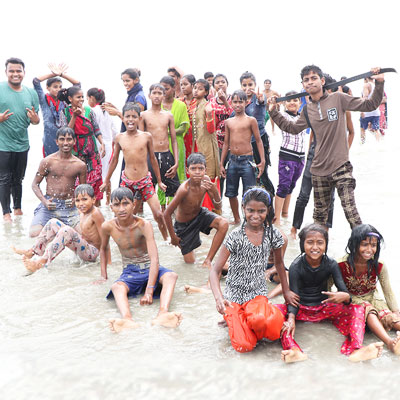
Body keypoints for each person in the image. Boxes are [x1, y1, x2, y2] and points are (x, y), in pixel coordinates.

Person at [267, 66, 385, 229]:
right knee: (319, 219)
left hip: (341, 166)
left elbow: (370, 104)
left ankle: (363, 252)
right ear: (303, 85)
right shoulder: (307, 109)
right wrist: (273, 112)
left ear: (322, 81)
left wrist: (379, 82)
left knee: (352, 215)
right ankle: (319, 253)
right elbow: (292, 128)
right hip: (318, 170)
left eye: (313, 78)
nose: (310, 82)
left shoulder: (338, 98)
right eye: (306, 80)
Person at [276, 224, 383, 363]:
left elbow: (344, 293)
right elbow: (293, 298)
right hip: (300, 308)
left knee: (358, 309)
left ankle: (356, 349)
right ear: (302, 245)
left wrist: (345, 297)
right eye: (310, 242)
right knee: (279, 316)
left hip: (323, 307)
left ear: (326, 245)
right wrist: (291, 318)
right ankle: (293, 350)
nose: (315, 247)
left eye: (320, 243)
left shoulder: (331, 264)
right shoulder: (296, 266)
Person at [209, 187, 297, 354]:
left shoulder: (273, 235)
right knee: (244, 346)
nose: (255, 216)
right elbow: (215, 271)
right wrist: (219, 299)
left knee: (269, 328)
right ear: (243, 208)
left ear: (268, 210)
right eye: (250, 210)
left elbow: (279, 264)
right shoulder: (235, 236)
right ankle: (234, 318)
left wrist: (286, 292)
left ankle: (251, 318)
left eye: (261, 211)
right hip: (233, 296)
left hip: (257, 293)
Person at [100, 187, 182, 332]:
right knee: (117, 287)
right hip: (130, 270)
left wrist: (149, 291)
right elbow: (103, 248)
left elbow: (154, 258)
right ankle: (127, 319)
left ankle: (163, 313)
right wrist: (103, 275)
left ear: (134, 204)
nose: (121, 209)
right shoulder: (108, 226)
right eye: (117, 205)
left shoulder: (144, 225)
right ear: (111, 207)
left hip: (150, 266)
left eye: (125, 204)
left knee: (171, 276)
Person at [289, 73, 355, 239]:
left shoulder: (340, 105)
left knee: (330, 200)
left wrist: (343, 152)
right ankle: (294, 229)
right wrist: (311, 150)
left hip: (335, 158)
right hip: (315, 155)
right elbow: (313, 134)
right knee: (304, 194)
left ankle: (325, 232)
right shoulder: (312, 108)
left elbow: (351, 132)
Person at [100, 103, 169, 240]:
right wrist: (106, 181)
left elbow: (153, 159)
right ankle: (123, 241)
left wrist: (159, 181)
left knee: (158, 215)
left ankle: (167, 239)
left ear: (139, 119)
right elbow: (114, 160)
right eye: (127, 117)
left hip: (145, 181)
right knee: (121, 216)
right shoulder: (119, 137)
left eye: (134, 117)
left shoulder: (146, 136)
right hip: (127, 182)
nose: (130, 120)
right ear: (123, 118)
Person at [14, 184, 106, 276]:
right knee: (53, 222)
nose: (81, 203)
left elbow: (105, 237)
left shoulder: (96, 213)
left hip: (92, 253)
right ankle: (33, 251)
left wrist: (106, 263)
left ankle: (41, 262)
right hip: (83, 247)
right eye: (78, 200)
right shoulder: (81, 211)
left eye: (84, 199)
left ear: (94, 199)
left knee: (66, 230)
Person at [337, 224, 400, 355]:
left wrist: (395, 312)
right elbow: (328, 288)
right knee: (369, 311)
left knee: (390, 318)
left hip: (373, 297)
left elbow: (388, 291)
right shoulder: (340, 264)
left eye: (373, 245)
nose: (369, 249)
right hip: (352, 301)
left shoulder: (379, 265)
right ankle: (389, 343)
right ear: (354, 244)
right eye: (364, 244)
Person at [164, 153, 228, 269]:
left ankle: (208, 260)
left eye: (201, 169)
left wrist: (214, 191)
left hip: (200, 214)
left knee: (223, 224)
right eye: (193, 169)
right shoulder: (184, 189)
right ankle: (183, 247)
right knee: (190, 264)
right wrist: (173, 237)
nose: (197, 172)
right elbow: (167, 213)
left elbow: (218, 207)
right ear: (188, 170)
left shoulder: (206, 181)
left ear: (205, 170)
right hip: (184, 226)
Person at [0, 57, 40, 222]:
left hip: (22, 143)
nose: (15, 74)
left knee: (18, 179)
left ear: (24, 73)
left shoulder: (31, 93)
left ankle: (18, 209)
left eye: (18, 71)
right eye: (12, 71)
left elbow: (36, 121)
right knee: (4, 178)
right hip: (3, 143)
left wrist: (34, 118)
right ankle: (6, 213)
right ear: (6, 72)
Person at [29, 127, 86, 237]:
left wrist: (75, 200)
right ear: (56, 141)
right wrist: (45, 201)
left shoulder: (80, 165)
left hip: (70, 206)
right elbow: (35, 184)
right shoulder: (47, 161)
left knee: (83, 235)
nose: (65, 143)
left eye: (69, 139)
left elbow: (83, 190)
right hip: (50, 204)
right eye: (62, 139)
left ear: (74, 141)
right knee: (34, 234)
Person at [220, 90, 265, 224]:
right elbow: (226, 143)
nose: (238, 105)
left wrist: (262, 161)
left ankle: (248, 220)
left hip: (247, 161)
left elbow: (258, 141)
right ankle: (237, 219)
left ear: (246, 103)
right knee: (231, 193)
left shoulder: (251, 120)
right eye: (235, 102)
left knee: (249, 194)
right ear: (231, 103)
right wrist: (221, 163)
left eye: (241, 102)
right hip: (232, 161)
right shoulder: (229, 122)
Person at [59, 86, 105, 205]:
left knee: (95, 185)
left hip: (92, 152)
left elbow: (96, 129)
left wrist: (102, 143)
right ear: (70, 98)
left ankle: (97, 213)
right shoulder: (64, 113)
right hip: (75, 154)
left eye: (82, 97)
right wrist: (74, 116)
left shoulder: (89, 111)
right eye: (78, 97)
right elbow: (65, 133)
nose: (81, 100)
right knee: (77, 187)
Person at [139, 83, 180, 210]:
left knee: (175, 190)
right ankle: (140, 219)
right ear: (149, 95)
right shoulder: (143, 115)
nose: (157, 96)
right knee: (143, 192)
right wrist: (142, 162)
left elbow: (174, 140)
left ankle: (171, 218)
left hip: (167, 156)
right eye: (154, 93)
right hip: (151, 156)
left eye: (159, 93)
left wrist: (177, 162)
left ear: (164, 95)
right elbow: (140, 140)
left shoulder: (168, 115)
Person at [274, 91, 307, 226]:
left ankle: (285, 214)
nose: (292, 103)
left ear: (300, 103)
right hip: (287, 155)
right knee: (283, 186)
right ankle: (276, 219)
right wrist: (273, 102)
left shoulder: (303, 117)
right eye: (289, 101)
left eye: (295, 100)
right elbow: (272, 110)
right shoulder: (283, 116)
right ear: (284, 104)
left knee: (291, 186)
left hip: (300, 157)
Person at [33, 62, 80, 157]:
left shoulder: (65, 99)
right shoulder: (44, 99)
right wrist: (53, 74)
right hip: (50, 138)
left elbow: (77, 84)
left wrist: (62, 75)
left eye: (60, 87)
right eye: (55, 87)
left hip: (65, 138)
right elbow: (36, 81)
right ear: (47, 88)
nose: (58, 89)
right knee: (50, 166)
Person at [239, 71, 275, 196]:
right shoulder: (240, 100)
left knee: (262, 173)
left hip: (259, 141)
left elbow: (262, 100)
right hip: (245, 143)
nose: (247, 88)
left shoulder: (259, 98)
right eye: (244, 85)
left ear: (255, 84)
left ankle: (269, 200)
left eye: (250, 84)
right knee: (249, 175)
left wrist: (260, 98)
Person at [191, 79, 220, 211]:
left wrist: (209, 114)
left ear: (206, 92)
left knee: (208, 177)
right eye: (195, 87)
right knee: (199, 177)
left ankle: (212, 208)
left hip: (207, 146)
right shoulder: (196, 105)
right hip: (198, 146)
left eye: (200, 89)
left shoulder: (208, 106)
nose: (196, 90)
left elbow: (211, 129)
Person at [87, 87, 118, 205]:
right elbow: (115, 131)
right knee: (107, 174)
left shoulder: (93, 111)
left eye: (87, 98)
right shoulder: (108, 111)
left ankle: (98, 202)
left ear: (92, 98)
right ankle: (108, 202)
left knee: (98, 174)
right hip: (109, 146)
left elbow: (93, 130)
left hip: (98, 145)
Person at [160, 75, 189, 184]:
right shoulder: (157, 105)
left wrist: (168, 132)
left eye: (166, 89)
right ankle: (161, 201)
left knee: (178, 173)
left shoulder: (181, 105)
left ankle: (178, 200)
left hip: (177, 143)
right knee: (162, 174)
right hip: (161, 145)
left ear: (173, 88)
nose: (164, 92)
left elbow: (183, 127)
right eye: (161, 89)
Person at [208, 73, 233, 197]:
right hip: (217, 143)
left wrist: (225, 102)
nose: (220, 84)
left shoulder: (234, 99)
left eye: (223, 81)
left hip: (233, 143)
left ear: (227, 84)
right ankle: (219, 204)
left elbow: (235, 116)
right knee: (219, 175)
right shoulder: (211, 102)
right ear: (213, 86)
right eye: (217, 82)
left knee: (232, 175)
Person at [180, 74, 197, 161]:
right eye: (181, 85)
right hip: (182, 137)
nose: (183, 87)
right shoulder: (179, 102)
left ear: (193, 85)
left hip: (195, 138)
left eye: (185, 84)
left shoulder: (199, 102)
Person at [360, 77, 381, 142]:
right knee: (376, 130)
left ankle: (362, 144)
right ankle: (379, 144)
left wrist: (362, 111)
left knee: (362, 129)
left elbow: (365, 98)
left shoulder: (367, 85)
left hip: (367, 112)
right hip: (376, 111)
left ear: (366, 78)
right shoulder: (377, 85)